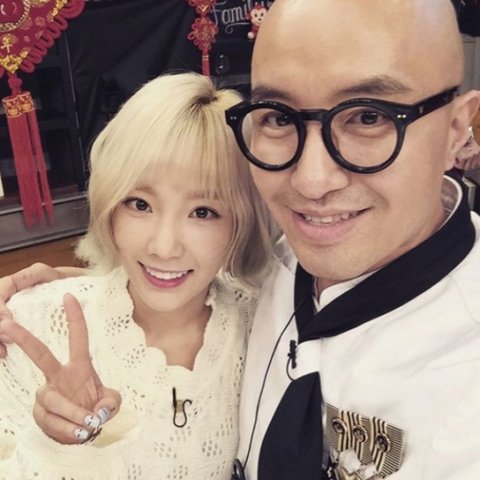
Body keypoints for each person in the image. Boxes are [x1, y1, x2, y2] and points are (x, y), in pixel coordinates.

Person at [2, 1, 480, 479]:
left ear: (457, 131)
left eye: (370, 117)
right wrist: (86, 288)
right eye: (279, 117)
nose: (311, 181)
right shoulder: (283, 262)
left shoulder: (463, 386)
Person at [0, 72, 274, 479]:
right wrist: (59, 445)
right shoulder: (31, 325)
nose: (164, 247)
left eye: (203, 212)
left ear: (242, 221)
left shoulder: (266, 325)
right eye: (140, 204)